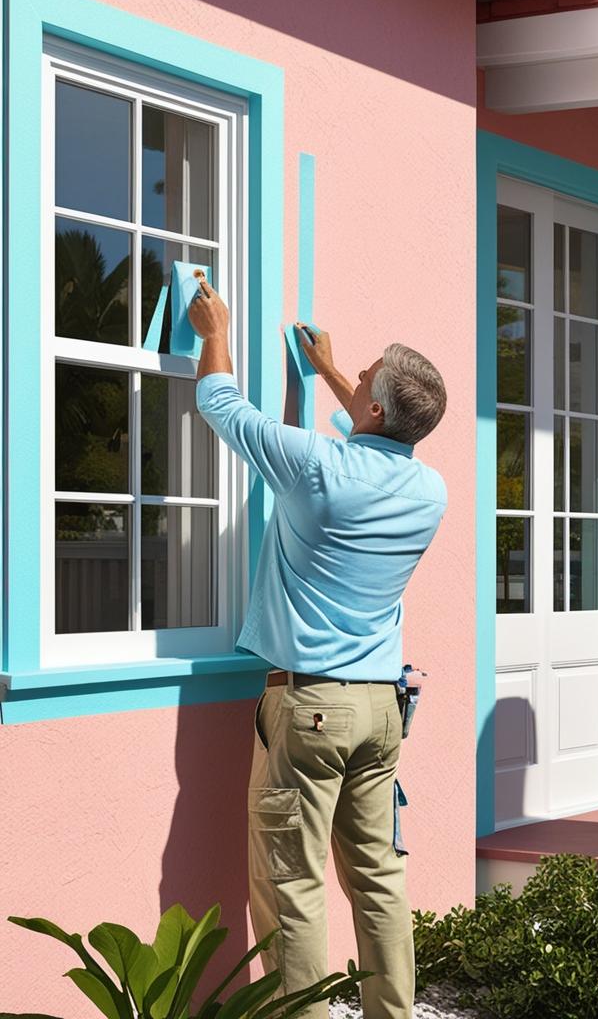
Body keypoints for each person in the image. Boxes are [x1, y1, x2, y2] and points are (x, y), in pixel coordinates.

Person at [190, 284, 447, 1019]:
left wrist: (215, 330)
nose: (355, 376)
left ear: (376, 411)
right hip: (381, 711)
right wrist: (333, 372)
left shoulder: (315, 466)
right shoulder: (430, 490)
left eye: (365, 377)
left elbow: (222, 404)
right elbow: (367, 430)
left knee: (292, 885)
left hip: (310, 710)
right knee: (378, 880)